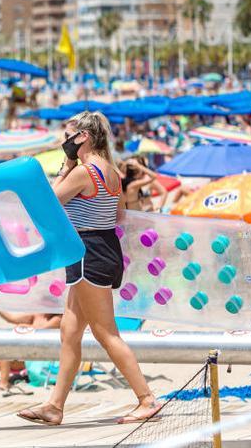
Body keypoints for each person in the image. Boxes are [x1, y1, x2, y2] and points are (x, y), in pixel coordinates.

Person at [17, 111, 159, 426]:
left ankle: (146, 399)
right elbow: (119, 216)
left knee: (106, 332)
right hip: (104, 250)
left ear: (83, 137)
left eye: (67, 137)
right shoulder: (111, 171)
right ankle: (54, 405)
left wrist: (65, 166)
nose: (63, 143)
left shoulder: (84, 172)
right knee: (70, 330)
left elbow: (49, 202)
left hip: (88, 254)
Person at [0, 312, 61, 391]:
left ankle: (4, 383)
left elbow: (41, 328)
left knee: (4, 350)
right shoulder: (37, 315)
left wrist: (26, 326)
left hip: (39, 359)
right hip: (26, 353)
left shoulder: (58, 318)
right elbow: (11, 318)